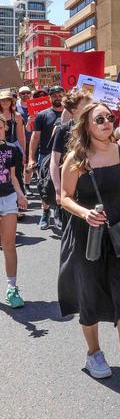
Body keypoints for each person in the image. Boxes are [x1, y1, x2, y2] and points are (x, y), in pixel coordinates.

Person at [59, 103, 120, 387]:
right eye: (99, 119)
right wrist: (85, 212)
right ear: (86, 125)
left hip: (118, 231)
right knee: (89, 295)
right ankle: (94, 354)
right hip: (86, 233)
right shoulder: (76, 158)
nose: (106, 123)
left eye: (110, 118)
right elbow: (64, 196)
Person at [50, 89, 94, 230]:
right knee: (74, 229)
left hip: (93, 186)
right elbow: (54, 161)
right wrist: (58, 189)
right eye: (86, 104)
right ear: (74, 110)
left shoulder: (96, 127)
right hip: (71, 188)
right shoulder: (63, 130)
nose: (91, 107)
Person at [0, 114, 29, 307]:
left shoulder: (11, 150)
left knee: (9, 244)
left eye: (0, 127)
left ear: (5, 129)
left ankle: (12, 287)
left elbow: (13, 176)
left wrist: (20, 194)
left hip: (8, 197)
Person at [28, 85, 64, 230]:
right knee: (45, 186)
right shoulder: (42, 115)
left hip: (66, 156)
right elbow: (35, 138)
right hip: (46, 156)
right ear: (49, 98)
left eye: (60, 94)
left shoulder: (73, 113)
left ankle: (59, 212)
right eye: (54, 95)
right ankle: (45, 212)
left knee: (63, 185)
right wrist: (31, 158)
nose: (58, 97)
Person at [0, 89, 26, 197]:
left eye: (7, 99)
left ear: (11, 101)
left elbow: (20, 136)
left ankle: (19, 199)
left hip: (14, 148)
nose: (5, 102)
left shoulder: (17, 116)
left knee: (16, 174)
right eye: (2, 100)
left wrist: (23, 153)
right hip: (1, 148)